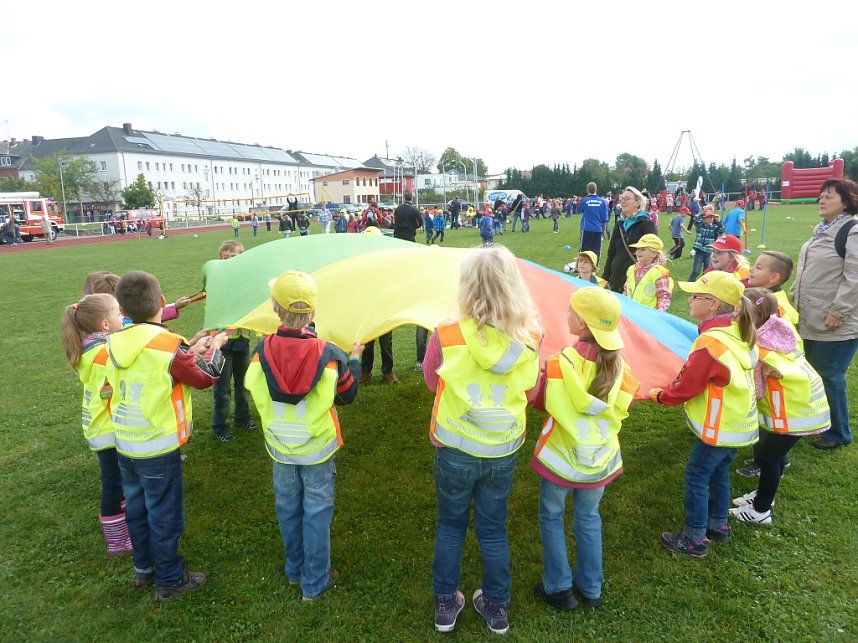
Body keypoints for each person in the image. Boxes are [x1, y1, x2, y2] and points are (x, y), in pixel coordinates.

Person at [423, 246, 542, 634]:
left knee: (451, 525)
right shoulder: (530, 335)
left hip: (456, 445)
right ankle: (496, 606)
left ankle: (445, 603)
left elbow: (430, 380)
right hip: (501, 449)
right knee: (493, 529)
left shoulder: (447, 331)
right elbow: (528, 390)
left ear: (467, 285)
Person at [105, 271, 228, 600]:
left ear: (123, 309)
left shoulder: (115, 339)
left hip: (126, 443)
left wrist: (191, 346)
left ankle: (144, 570)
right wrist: (214, 347)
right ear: (161, 303)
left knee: (137, 508)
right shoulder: (167, 345)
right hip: (158, 448)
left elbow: (159, 356)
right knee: (164, 515)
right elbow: (203, 375)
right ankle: (170, 580)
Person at [244, 270, 363, 601]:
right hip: (317, 449)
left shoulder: (261, 351)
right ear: (313, 312)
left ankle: (295, 570)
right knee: (316, 511)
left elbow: (254, 386)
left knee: (287, 507)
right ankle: (315, 580)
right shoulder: (330, 354)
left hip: (280, 446)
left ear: (274, 307)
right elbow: (348, 395)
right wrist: (353, 361)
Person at [531, 287, 638, 611]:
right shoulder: (622, 368)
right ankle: (591, 588)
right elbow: (624, 404)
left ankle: (558, 588)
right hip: (600, 458)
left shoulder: (560, 363)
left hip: (561, 458)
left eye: (571, 312)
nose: (566, 316)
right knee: (589, 517)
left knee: (551, 516)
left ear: (583, 324)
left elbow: (539, 400)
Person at [649, 272, 758, 558]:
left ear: (713, 304)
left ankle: (694, 537)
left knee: (697, 475)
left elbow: (687, 385)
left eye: (696, 296)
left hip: (720, 426)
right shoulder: (737, 331)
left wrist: (661, 395)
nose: (689, 300)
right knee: (719, 471)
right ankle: (718, 524)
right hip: (739, 424)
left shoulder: (711, 342)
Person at [729, 289, 830, 524]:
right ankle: (764, 497)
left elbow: (756, 390)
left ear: (752, 317)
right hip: (804, 406)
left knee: (769, 458)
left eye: (737, 311)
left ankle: (760, 510)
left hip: (796, 412)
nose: (733, 317)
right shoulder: (779, 332)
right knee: (775, 455)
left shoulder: (760, 350)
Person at [61, 293, 132, 556]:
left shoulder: (90, 346)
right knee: (112, 484)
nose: (123, 317)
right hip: (107, 429)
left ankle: (125, 519)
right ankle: (117, 541)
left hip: (99, 425)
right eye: (118, 313)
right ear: (105, 325)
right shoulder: (105, 352)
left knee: (119, 478)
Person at [789, 177, 858, 449]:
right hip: (812, 315)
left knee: (829, 374)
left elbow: (854, 278)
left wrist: (839, 312)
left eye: (829, 196)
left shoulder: (851, 230)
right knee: (814, 372)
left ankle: (839, 433)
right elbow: (807, 269)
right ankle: (818, 422)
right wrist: (793, 299)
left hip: (837, 321)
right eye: (821, 195)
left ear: (847, 200)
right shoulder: (822, 229)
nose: (822, 199)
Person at [210, 241, 256, 443]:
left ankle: (242, 418)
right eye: (227, 258)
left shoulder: (245, 281)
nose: (231, 261)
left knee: (243, 383)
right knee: (222, 389)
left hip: (242, 339)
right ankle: (220, 426)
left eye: (236, 257)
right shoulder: (217, 279)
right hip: (222, 342)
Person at [602, 186, 658, 293]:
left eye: (627, 198)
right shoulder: (620, 224)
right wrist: (605, 277)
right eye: (622, 198)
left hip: (637, 279)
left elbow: (653, 252)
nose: (623, 201)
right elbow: (611, 252)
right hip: (616, 277)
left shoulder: (646, 224)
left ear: (637, 202)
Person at [746, 251, 798, 326]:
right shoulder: (768, 297)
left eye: (758, 267)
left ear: (774, 278)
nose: (750, 269)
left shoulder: (774, 307)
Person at [625, 234, 673, 311]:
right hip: (630, 313)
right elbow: (626, 290)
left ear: (654, 254)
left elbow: (664, 296)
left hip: (648, 316)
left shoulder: (659, 272)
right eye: (637, 249)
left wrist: (659, 313)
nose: (638, 252)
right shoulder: (632, 269)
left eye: (643, 249)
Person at [688, 207, 724, 281]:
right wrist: (703, 212)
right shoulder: (700, 225)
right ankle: (690, 283)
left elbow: (722, 229)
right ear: (703, 218)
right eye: (708, 217)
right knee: (696, 270)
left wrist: (718, 221)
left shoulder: (714, 227)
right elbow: (695, 218)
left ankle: (704, 285)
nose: (710, 219)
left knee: (707, 271)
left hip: (709, 252)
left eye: (711, 217)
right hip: (699, 251)